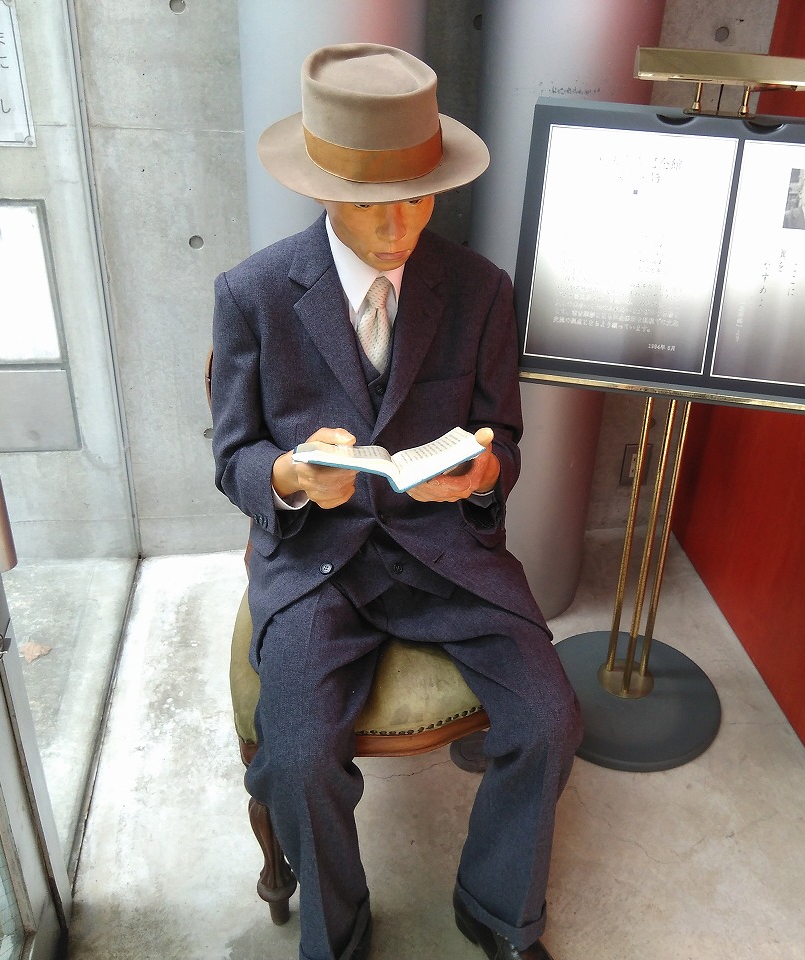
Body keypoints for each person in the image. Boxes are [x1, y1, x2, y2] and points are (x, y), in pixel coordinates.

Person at [211, 43, 583, 960]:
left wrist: (482, 476)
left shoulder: (480, 291)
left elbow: (504, 438)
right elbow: (233, 458)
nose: (399, 226)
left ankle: (496, 911)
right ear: (323, 189)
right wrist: (294, 477)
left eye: (419, 198)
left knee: (550, 718)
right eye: (374, 203)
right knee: (300, 759)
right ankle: (337, 936)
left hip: (445, 551)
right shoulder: (254, 296)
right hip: (319, 561)